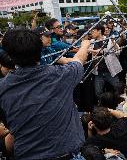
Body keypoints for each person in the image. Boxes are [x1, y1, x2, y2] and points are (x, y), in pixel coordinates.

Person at [0, 28, 90, 159]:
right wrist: (85, 45)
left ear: (9, 55)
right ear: (40, 48)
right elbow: (79, 60)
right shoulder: (62, 75)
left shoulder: (2, 88)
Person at [89, 24, 122, 101]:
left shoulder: (109, 40)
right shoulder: (92, 42)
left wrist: (114, 42)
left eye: (93, 31)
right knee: (98, 92)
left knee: (118, 88)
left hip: (110, 71)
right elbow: (91, 53)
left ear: (99, 31)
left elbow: (118, 52)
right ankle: (103, 108)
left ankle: (117, 104)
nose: (91, 34)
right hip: (98, 73)